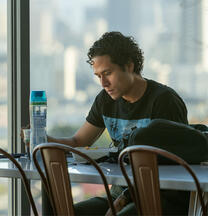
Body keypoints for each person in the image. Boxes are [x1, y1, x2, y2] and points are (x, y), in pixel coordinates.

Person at [47, 31, 189, 216]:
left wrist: (125, 199)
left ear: (129, 66)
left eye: (107, 73)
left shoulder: (164, 101)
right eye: (98, 76)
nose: (103, 83)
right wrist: (44, 140)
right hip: (118, 194)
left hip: (160, 198)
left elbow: (171, 164)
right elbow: (78, 142)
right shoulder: (105, 100)